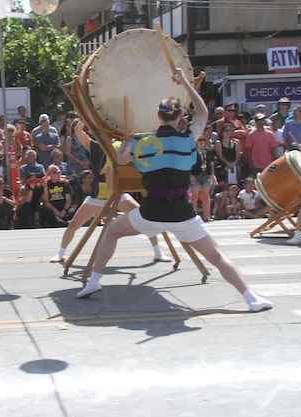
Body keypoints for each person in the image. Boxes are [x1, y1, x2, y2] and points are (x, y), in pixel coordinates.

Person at [76, 68, 273, 313]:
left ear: (158, 117)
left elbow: (121, 160)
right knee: (217, 256)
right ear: (180, 116)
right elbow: (202, 112)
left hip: (151, 212)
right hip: (183, 213)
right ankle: (250, 297)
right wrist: (185, 84)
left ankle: (94, 281)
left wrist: (129, 141)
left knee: (112, 231)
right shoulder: (188, 139)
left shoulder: (144, 142)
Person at [50, 119, 171, 264]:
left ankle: (158, 251)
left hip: (118, 192)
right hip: (97, 195)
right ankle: (61, 252)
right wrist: (88, 114)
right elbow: (77, 131)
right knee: (74, 224)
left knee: (145, 217)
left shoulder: (122, 146)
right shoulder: (94, 146)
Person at [189, 136, 216, 222]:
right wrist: (190, 175)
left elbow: (211, 164)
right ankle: (193, 216)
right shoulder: (192, 152)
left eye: (203, 140)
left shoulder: (208, 151)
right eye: (199, 140)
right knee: (194, 196)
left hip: (206, 175)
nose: (201, 142)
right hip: (195, 175)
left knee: (206, 196)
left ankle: (206, 216)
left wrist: (212, 174)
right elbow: (188, 164)